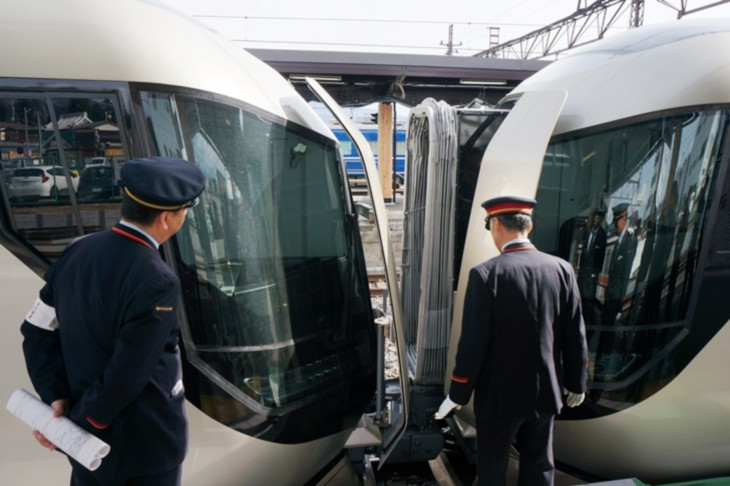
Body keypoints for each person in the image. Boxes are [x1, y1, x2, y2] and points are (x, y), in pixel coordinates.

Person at [20, 157, 205, 486]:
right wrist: (75, 427)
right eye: (184, 210)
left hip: (87, 451)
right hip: (141, 450)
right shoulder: (158, 280)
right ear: (167, 218)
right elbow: (128, 373)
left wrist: (56, 402)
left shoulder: (77, 252)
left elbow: (36, 331)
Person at [435, 196, 588, 486]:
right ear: (527, 227)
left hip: (499, 397)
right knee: (540, 465)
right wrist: (576, 382)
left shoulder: (485, 274)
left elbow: (472, 344)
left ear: (495, 224)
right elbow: (574, 333)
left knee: (492, 469)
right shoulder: (562, 269)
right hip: (546, 392)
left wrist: (458, 393)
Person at [577, 209, 607, 327]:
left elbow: (602, 255)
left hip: (593, 269)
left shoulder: (602, 234)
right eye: (595, 216)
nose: (596, 219)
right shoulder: (587, 230)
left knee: (589, 297)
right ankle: (580, 317)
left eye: (599, 217)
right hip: (584, 268)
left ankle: (589, 322)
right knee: (580, 293)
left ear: (601, 219)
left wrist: (596, 271)